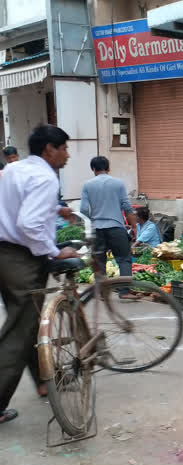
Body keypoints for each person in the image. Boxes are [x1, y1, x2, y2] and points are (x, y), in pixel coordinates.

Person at [0, 125, 79, 425]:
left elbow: (17, 206)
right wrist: (56, 251)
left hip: (5, 253)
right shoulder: (45, 177)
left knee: (31, 319)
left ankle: (47, 379)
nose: (67, 155)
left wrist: (54, 210)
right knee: (19, 331)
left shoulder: (15, 169)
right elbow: (29, 223)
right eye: (64, 149)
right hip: (22, 259)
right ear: (49, 149)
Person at [80, 156, 138, 298]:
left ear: (93, 169)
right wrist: (134, 227)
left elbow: (83, 209)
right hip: (116, 227)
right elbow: (127, 207)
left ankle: (102, 292)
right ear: (108, 168)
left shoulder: (87, 185)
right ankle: (125, 292)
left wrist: (92, 221)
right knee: (124, 259)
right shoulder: (118, 183)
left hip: (97, 229)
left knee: (99, 261)